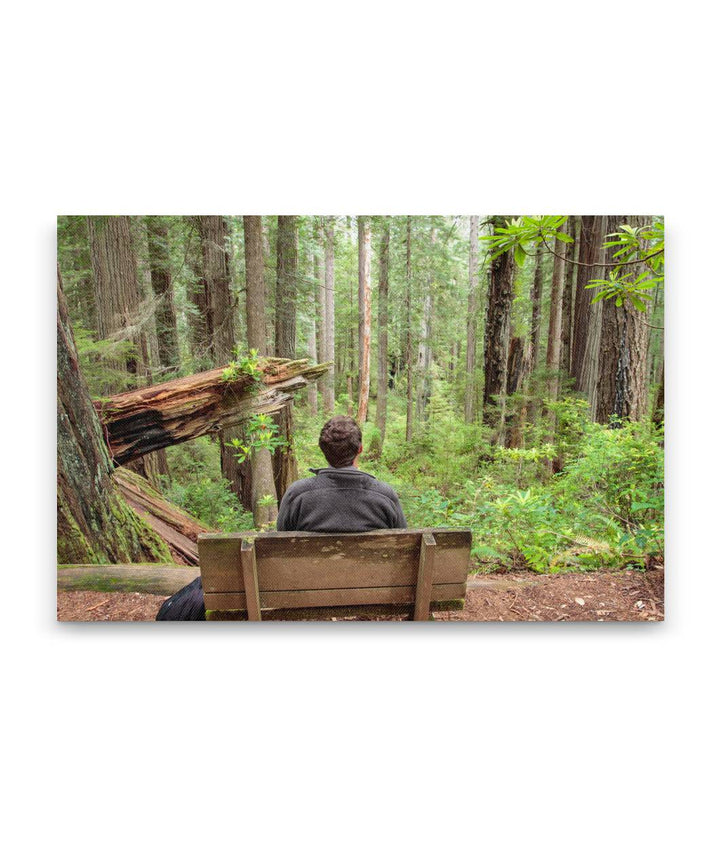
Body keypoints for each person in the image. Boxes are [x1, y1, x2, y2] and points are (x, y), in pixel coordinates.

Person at [156, 415, 407, 620]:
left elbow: (278, 545)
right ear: (360, 450)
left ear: (323, 451)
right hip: (371, 592)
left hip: (303, 594)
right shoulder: (384, 496)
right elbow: (403, 549)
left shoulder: (299, 494)